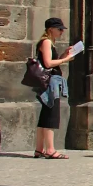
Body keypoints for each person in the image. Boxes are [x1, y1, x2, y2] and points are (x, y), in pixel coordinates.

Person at [33, 17, 77, 159]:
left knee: (45, 115)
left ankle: (39, 149)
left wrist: (64, 54)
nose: (61, 32)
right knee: (51, 114)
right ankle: (50, 150)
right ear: (51, 29)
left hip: (49, 82)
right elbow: (48, 63)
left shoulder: (49, 42)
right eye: (59, 29)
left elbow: (52, 61)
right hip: (50, 83)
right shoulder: (46, 42)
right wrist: (65, 59)